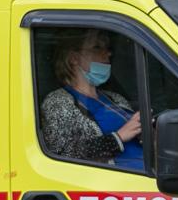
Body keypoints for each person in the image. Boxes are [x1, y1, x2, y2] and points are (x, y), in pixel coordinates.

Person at [40, 29, 144, 170]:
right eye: (97, 47)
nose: (108, 53)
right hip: (115, 180)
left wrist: (149, 136)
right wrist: (118, 138)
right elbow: (64, 154)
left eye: (107, 48)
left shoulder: (115, 98)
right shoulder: (57, 102)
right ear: (74, 58)